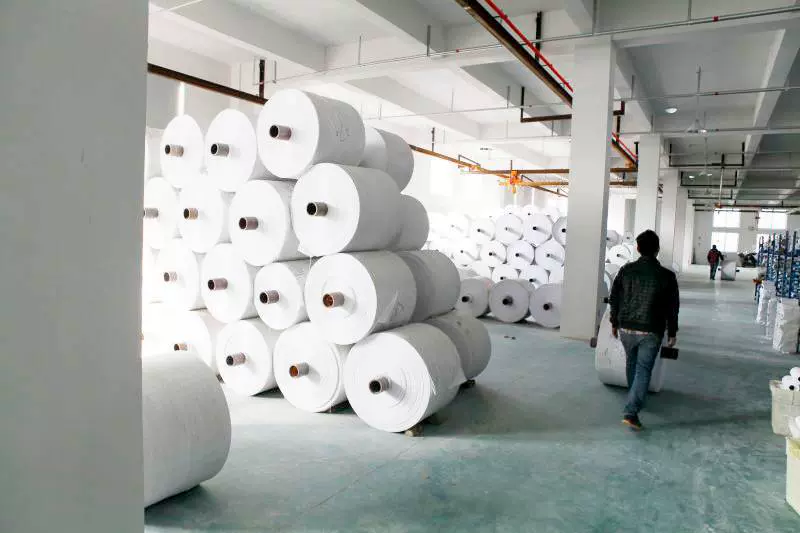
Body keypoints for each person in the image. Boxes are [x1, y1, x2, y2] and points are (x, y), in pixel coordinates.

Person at [609, 230, 680, 431]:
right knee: (643, 369)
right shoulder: (667, 276)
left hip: (626, 327)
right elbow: (672, 307)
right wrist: (672, 332)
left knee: (632, 364)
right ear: (657, 250)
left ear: (638, 248)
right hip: (651, 330)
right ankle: (631, 411)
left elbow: (615, 298)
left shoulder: (626, 270)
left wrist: (614, 322)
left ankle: (635, 397)